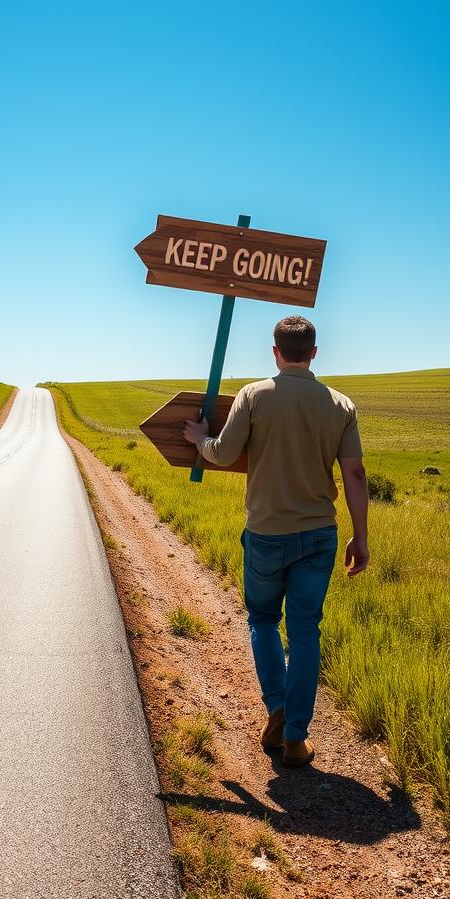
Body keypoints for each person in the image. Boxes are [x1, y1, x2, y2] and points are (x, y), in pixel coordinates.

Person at [183, 315, 369, 767]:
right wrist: (360, 537)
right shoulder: (341, 405)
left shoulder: (254, 394)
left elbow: (224, 453)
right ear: (314, 353)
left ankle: (277, 708)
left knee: (264, 619)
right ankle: (297, 736)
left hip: (266, 533)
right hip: (320, 534)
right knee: (306, 630)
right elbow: (355, 474)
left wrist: (201, 440)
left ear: (275, 352)